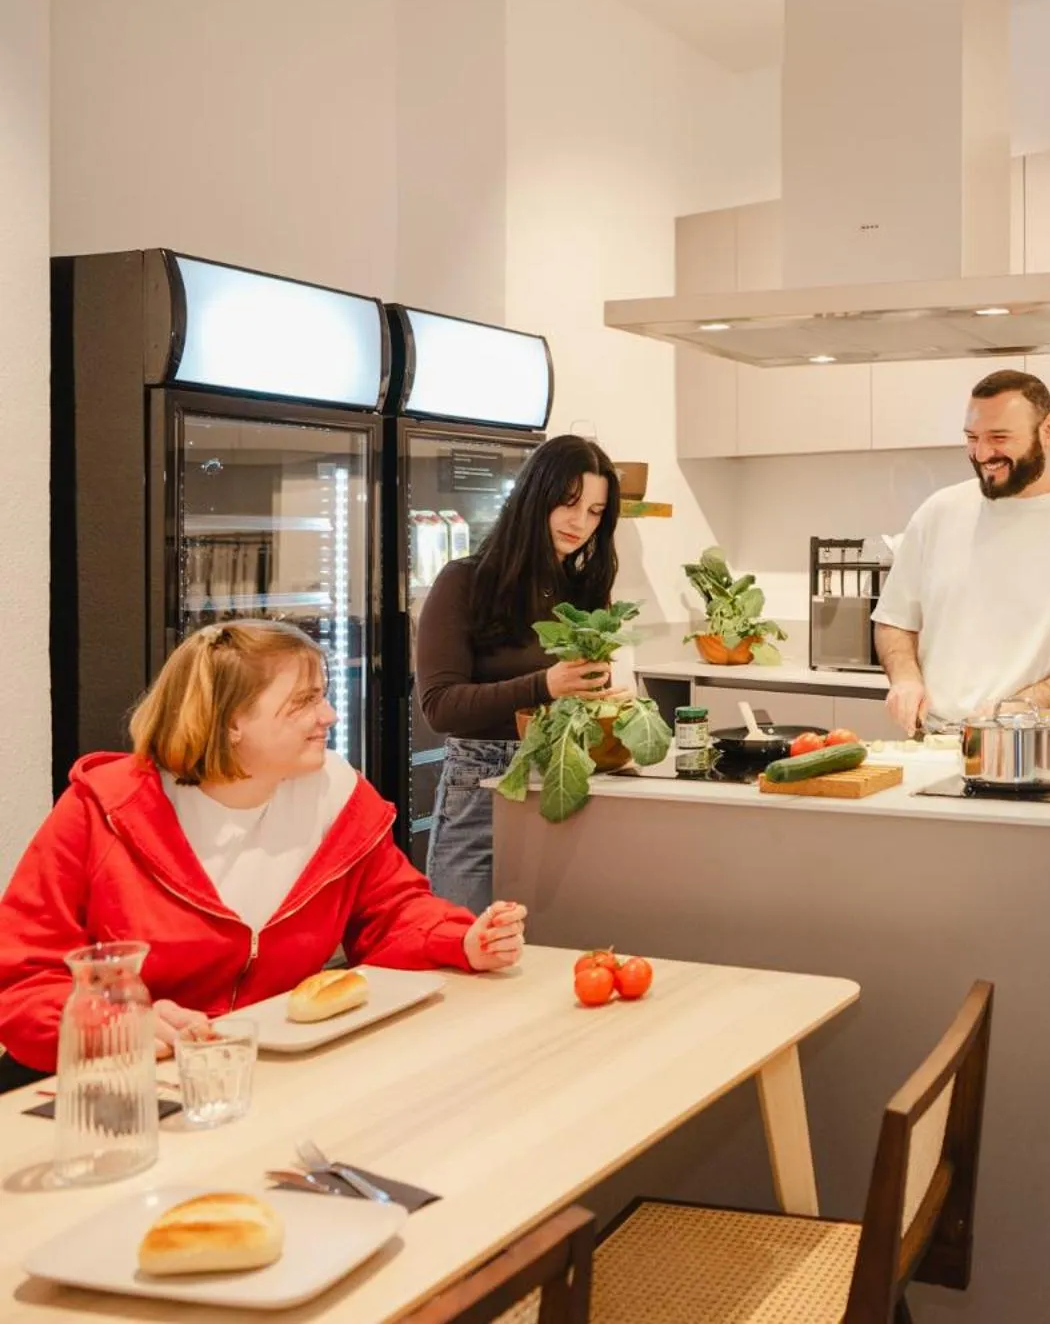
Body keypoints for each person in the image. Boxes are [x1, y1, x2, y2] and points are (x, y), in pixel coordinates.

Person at [0, 620, 525, 1094]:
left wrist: (463, 939)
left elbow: (392, 911)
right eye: (303, 702)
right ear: (231, 722)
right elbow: (23, 982)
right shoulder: (102, 811)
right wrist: (112, 1026)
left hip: (270, 1080)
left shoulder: (337, 796)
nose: (330, 715)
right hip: (128, 1091)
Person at [873, 369, 1050, 730]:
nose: (983, 453)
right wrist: (906, 678)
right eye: (972, 438)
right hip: (935, 739)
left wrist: (1022, 705)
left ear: (1049, 430)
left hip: (1037, 745)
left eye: (999, 437)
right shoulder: (938, 512)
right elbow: (895, 621)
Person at [417, 435, 621, 909]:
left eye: (595, 512)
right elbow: (440, 707)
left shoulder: (586, 592)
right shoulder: (464, 581)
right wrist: (544, 685)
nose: (580, 523)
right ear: (534, 497)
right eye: (568, 503)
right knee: (462, 946)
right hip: (480, 788)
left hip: (564, 780)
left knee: (549, 958)